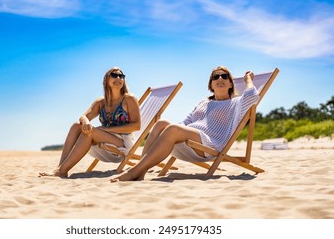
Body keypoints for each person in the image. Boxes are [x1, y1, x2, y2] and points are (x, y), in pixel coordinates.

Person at [111, 65, 259, 182]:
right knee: (162, 123)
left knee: (173, 129)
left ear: (231, 84)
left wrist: (248, 79)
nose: (220, 78)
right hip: (190, 140)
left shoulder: (236, 103)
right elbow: (186, 122)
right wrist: (171, 130)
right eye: (215, 77)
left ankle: (133, 172)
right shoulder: (204, 102)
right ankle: (140, 170)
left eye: (224, 76)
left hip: (209, 145)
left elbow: (252, 96)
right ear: (211, 85)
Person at [39, 67, 141, 178]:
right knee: (76, 126)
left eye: (121, 76)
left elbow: (136, 126)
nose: (118, 78)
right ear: (106, 80)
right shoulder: (101, 102)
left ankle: (62, 170)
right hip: (104, 141)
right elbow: (83, 117)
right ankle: (60, 168)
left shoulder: (129, 99)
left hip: (122, 144)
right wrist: (86, 121)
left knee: (91, 132)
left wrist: (105, 130)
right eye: (114, 75)